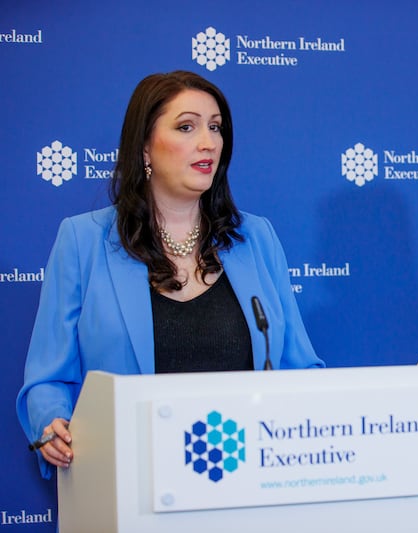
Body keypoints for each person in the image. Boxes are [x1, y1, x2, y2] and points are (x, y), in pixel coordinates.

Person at [17, 71, 325, 479]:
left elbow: (298, 367)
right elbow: (47, 378)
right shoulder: (83, 240)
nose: (208, 142)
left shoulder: (255, 238)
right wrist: (51, 424)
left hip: (250, 482)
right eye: (186, 126)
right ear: (145, 147)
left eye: (215, 127)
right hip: (129, 481)